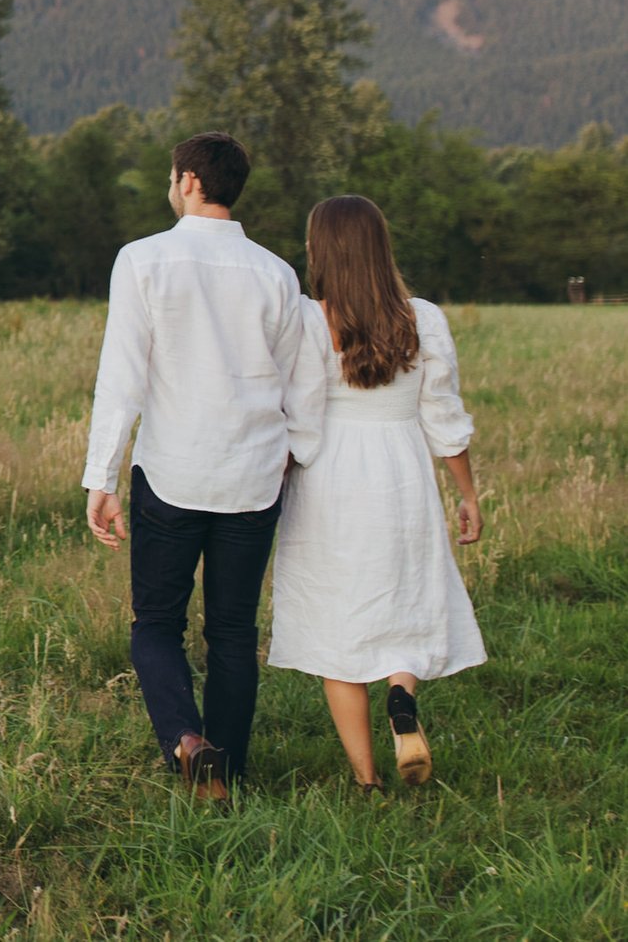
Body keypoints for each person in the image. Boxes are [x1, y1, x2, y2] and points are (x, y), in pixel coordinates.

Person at [81, 132, 325, 799]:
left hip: (172, 473)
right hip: (252, 478)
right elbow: (300, 389)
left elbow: (121, 377)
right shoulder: (277, 273)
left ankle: (188, 744)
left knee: (156, 623)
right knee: (233, 631)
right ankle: (230, 771)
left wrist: (101, 477)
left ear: (188, 179)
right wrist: (291, 457)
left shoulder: (143, 259)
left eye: (171, 175)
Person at [267, 195, 484, 790]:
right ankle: (401, 696)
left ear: (321, 252)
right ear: (380, 247)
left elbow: (299, 418)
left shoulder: (311, 320)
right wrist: (467, 496)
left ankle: (366, 782)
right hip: (402, 474)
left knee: (338, 623)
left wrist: (278, 471)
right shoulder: (425, 318)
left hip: (330, 482)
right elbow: (444, 416)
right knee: (406, 599)